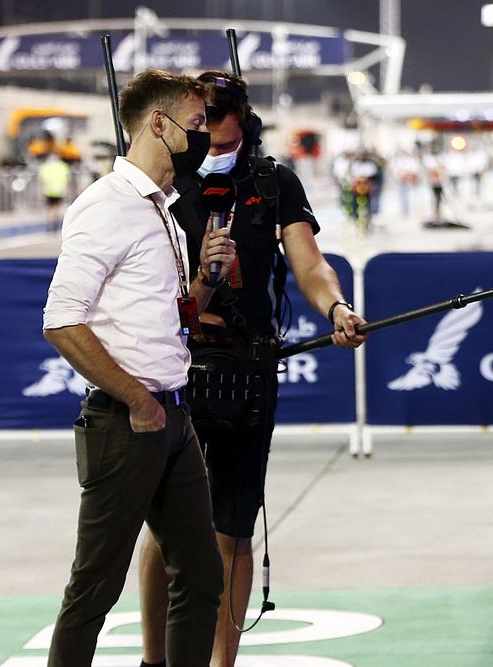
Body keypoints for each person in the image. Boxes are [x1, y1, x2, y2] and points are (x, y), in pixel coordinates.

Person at [137, 70, 367, 667]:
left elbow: (310, 264)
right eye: (195, 114)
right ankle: (152, 659)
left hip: (248, 370)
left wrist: (336, 306)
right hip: (175, 367)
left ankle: (222, 662)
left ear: (244, 117)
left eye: (215, 112)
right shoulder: (162, 179)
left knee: (235, 523)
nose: (203, 124)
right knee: (165, 524)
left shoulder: (274, 183)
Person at [42, 69, 237, 667]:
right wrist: (136, 399)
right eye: (198, 123)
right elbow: (61, 320)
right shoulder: (105, 207)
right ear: (159, 122)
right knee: (94, 589)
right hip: (127, 424)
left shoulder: (164, 210)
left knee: (202, 578)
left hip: (173, 420)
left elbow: (175, 319)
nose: (205, 137)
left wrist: (206, 278)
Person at [38, 151, 71, 232]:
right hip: (60, 190)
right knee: (57, 209)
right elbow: (67, 179)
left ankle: (50, 226)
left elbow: (42, 180)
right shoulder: (63, 166)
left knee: (50, 209)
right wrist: (66, 190)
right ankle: (56, 226)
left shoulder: (45, 167)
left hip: (49, 190)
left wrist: (42, 190)